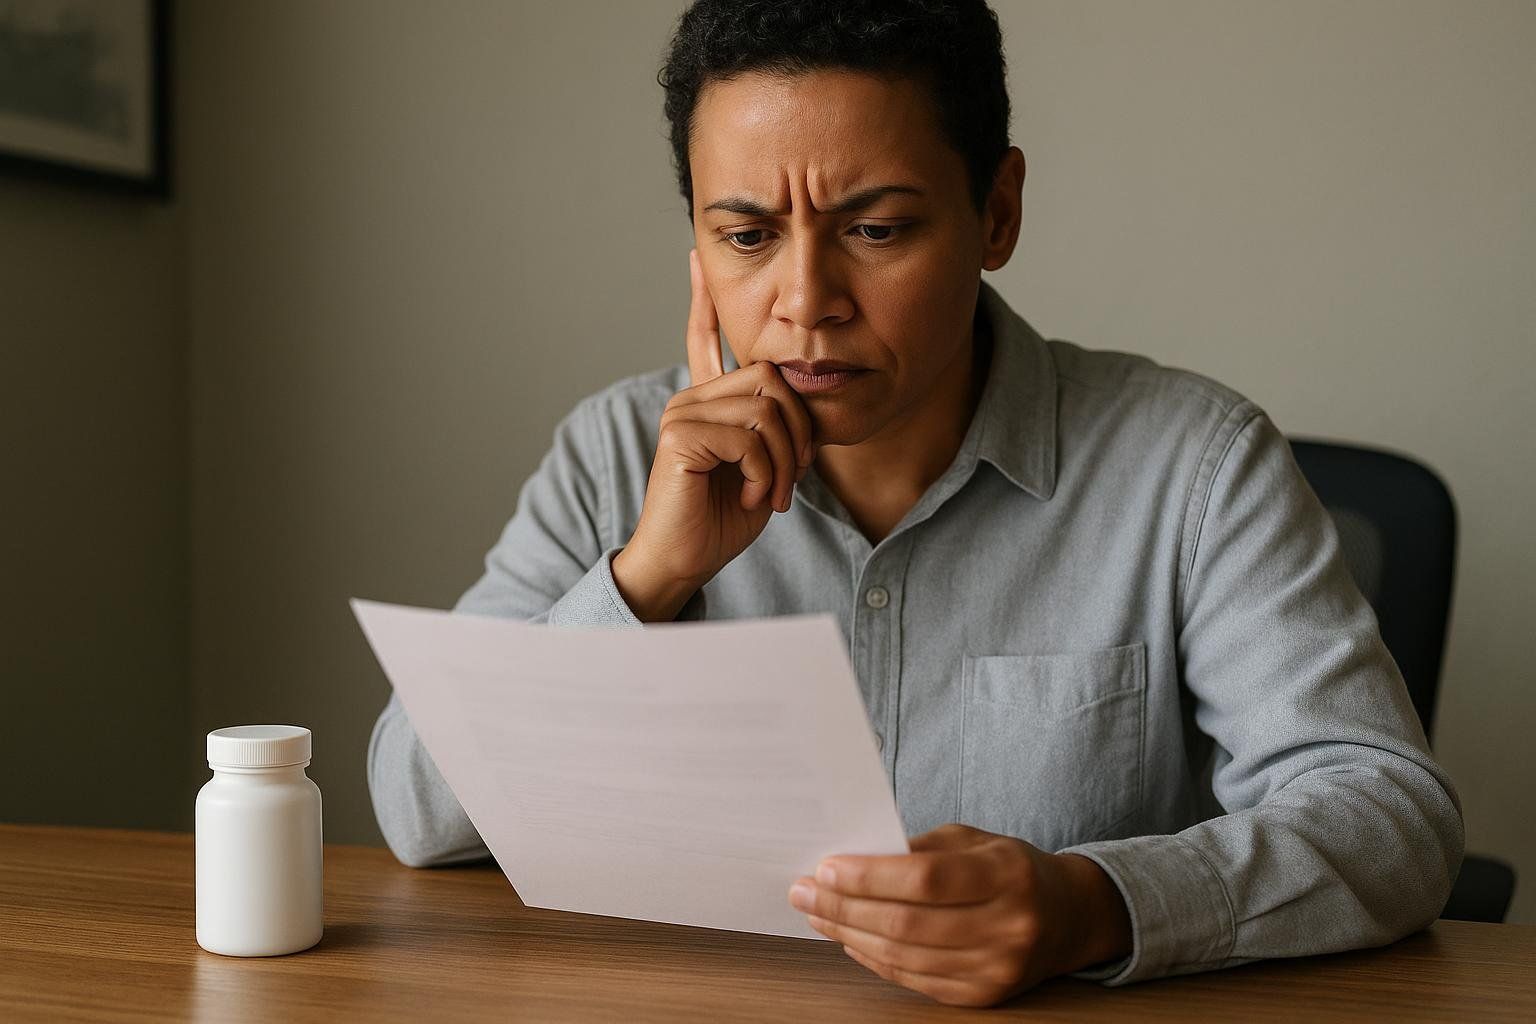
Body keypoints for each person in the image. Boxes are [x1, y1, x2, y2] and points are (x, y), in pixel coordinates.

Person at [368, 0, 1463, 1007]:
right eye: (746, 237)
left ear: (996, 213)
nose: (805, 304)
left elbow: (1389, 817)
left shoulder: (1194, 466)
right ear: (698, 245)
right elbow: (419, 813)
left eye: (878, 229)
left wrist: (1092, 903)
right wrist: (645, 576)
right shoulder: (617, 453)